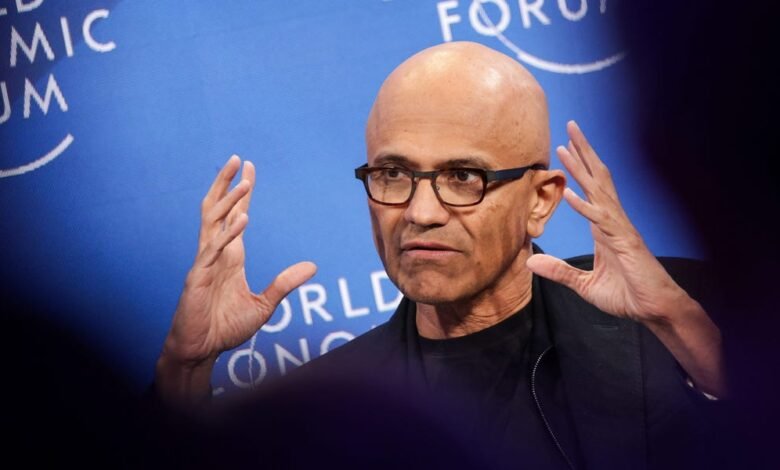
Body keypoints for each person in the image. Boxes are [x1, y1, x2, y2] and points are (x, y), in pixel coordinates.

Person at [154, 42, 725, 468]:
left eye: (463, 176)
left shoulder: (678, 317)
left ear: (540, 201)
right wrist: (184, 369)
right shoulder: (331, 409)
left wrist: (677, 321)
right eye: (393, 173)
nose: (420, 211)